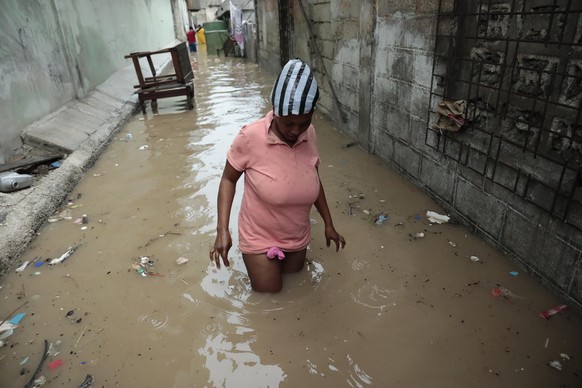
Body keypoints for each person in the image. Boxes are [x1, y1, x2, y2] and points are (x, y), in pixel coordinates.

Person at [209, 59, 346, 293]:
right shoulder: (250, 137)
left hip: (297, 235)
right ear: (275, 113)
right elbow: (228, 179)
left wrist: (329, 224)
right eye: (289, 123)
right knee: (270, 296)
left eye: (303, 122)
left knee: (296, 288)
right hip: (259, 237)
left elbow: (312, 177)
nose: (296, 130)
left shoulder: (309, 134)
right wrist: (223, 230)